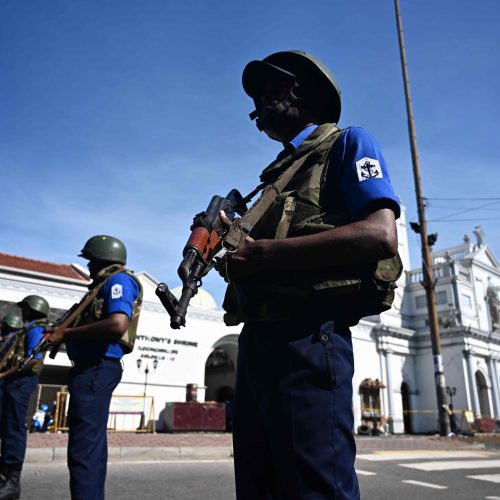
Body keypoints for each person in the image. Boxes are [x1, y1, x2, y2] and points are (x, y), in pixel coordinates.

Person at [222, 51, 401, 500]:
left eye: (273, 90)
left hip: (309, 339)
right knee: (258, 486)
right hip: (258, 339)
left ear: (308, 94)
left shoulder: (346, 144)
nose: (262, 102)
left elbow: (381, 235)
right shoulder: (275, 176)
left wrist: (262, 254)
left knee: (315, 487)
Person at [47, 235, 142, 500]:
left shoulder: (118, 281)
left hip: (96, 369)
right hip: (93, 369)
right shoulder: (102, 285)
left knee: (83, 452)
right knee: (90, 451)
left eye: (91, 261)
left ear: (102, 260)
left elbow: (117, 324)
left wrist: (66, 336)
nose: (88, 267)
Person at [0, 297, 49, 500]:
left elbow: (32, 360)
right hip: (13, 382)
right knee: (6, 428)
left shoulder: (36, 329)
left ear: (31, 310)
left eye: (25, 309)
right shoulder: (27, 328)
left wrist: (4, 375)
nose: (22, 312)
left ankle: (12, 482)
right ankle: (4, 476)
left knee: (14, 429)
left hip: (22, 382)